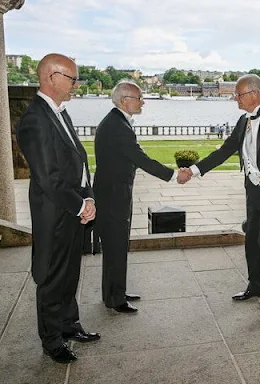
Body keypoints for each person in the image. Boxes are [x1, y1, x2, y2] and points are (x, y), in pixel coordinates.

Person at [178, 74, 260, 318]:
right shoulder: (243, 121)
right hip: (253, 190)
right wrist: (194, 171)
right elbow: (225, 151)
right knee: (252, 241)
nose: (235, 98)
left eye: (238, 94)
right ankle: (256, 286)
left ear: (255, 94)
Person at [16, 53, 100, 364]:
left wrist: (88, 197)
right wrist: (81, 205)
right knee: (51, 278)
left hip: (72, 211)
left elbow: (78, 161)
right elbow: (48, 179)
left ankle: (69, 325)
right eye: (72, 78)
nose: (76, 84)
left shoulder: (59, 113)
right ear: (52, 77)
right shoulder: (35, 120)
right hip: (55, 215)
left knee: (70, 272)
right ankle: (52, 341)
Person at [94, 80, 185, 314]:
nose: (143, 101)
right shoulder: (117, 126)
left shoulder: (117, 122)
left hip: (115, 193)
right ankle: (115, 299)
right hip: (113, 197)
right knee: (116, 247)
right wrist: (174, 175)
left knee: (118, 246)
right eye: (139, 98)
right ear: (125, 101)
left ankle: (115, 292)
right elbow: (141, 158)